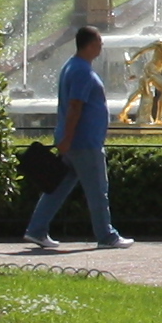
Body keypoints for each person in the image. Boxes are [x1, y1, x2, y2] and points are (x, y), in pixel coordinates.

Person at [22, 26, 127, 251]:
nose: (101, 46)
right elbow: (75, 106)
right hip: (84, 142)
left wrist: (64, 138)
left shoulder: (72, 66)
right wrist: (69, 137)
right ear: (90, 45)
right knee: (98, 189)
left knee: (58, 187)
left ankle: (36, 230)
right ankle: (107, 236)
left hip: (74, 142)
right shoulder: (81, 71)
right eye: (99, 42)